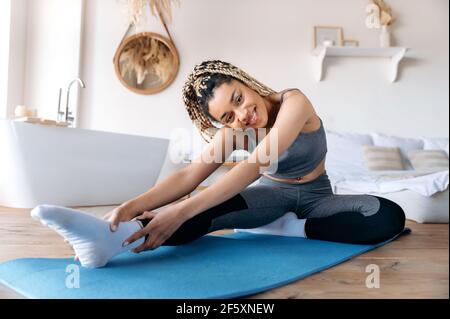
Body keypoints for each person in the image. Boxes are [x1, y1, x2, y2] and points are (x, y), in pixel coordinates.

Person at [32, 60, 406, 268]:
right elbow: (188, 176)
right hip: (273, 198)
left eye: (239, 99)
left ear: (245, 81)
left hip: (317, 198)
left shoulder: (294, 102)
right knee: (198, 212)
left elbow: (259, 163)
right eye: (228, 116)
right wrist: (134, 206)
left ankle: (289, 229)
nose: (242, 115)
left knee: (386, 216)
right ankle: (107, 241)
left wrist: (181, 209)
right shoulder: (235, 131)